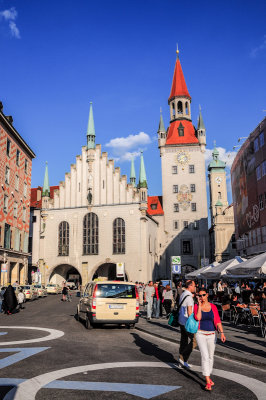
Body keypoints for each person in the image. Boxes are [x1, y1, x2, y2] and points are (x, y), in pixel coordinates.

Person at [194, 288, 226, 391]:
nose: (201, 297)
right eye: (200, 296)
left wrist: (222, 333)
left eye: (203, 295)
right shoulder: (196, 306)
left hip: (212, 334)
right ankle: (207, 380)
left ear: (207, 295)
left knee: (211, 357)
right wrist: (199, 305)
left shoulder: (213, 307)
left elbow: (217, 320)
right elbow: (198, 318)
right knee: (205, 356)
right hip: (200, 334)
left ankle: (208, 375)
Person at [178, 280, 196, 369]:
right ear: (190, 286)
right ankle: (183, 356)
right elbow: (189, 312)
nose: (195, 287)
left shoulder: (183, 294)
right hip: (186, 322)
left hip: (181, 320)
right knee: (195, 340)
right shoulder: (189, 297)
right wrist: (193, 323)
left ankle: (183, 362)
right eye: (194, 286)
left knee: (184, 341)